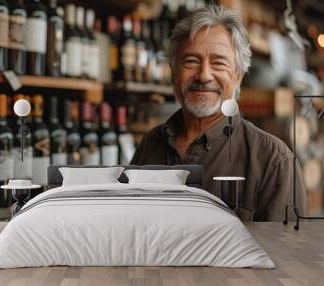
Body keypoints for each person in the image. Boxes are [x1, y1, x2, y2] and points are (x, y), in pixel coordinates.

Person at [130, 5, 307, 221]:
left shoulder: (274, 162)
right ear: (174, 71)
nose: (204, 75)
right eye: (191, 61)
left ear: (238, 75)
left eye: (219, 63)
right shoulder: (150, 144)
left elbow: (284, 252)